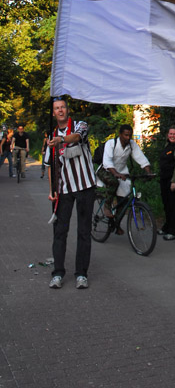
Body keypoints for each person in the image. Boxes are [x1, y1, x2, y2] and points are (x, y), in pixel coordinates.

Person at [46, 97, 96, 290]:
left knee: (84, 232)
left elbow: (77, 137)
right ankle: (58, 273)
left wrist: (62, 139)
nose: (60, 111)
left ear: (67, 110)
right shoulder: (50, 135)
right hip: (65, 190)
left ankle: (81, 274)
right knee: (60, 232)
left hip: (85, 187)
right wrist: (52, 191)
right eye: (56, 108)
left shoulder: (79, 125)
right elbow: (50, 164)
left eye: (62, 108)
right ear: (53, 113)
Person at [96, 124, 152, 233]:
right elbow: (107, 161)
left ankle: (116, 224)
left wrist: (148, 171)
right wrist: (116, 173)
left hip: (122, 172)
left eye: (129, 135)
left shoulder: (131, 144)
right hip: (106, 170)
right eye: (126, 135)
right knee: (113, 182)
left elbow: (140, 157)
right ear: (120, 134)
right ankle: (107, 207)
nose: (128, 138)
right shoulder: (111, 143)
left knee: (124, 200)